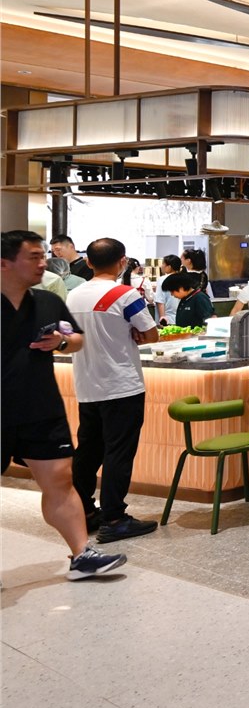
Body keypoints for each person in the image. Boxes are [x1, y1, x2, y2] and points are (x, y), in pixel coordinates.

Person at [2, 230, 127, 579]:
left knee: (59, 479)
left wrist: (60, 341)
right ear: (4, 263)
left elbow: (77, 339)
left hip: (41, 407)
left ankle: (82, 555)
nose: (43, 263)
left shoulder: (47, 301)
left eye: (43, 256)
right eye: (33, 257)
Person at [67, 237, 160, 544]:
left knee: (88, 451)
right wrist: (134, 333)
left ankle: (83, 511)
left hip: (86, 385)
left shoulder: (73, 295)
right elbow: (151, 334)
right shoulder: (125, 294)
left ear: (88, 262)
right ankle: (115, 518)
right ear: (122, 262)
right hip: (122, 385)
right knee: (118, 452)